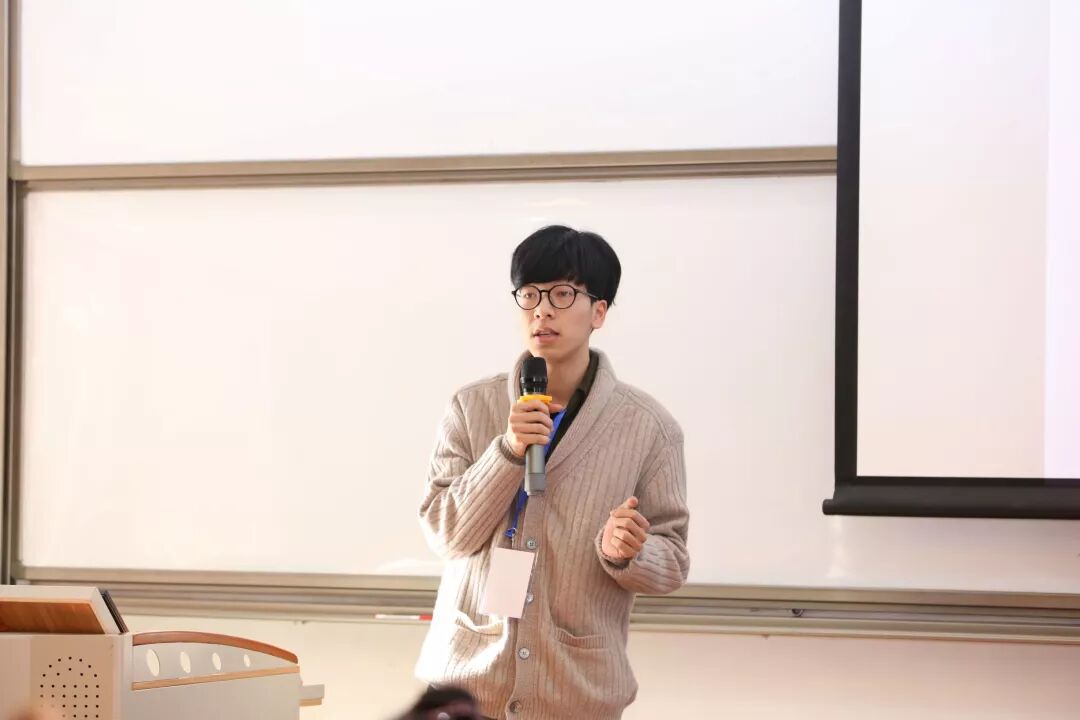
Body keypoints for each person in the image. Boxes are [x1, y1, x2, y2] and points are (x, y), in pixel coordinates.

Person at [415, 226, 690, 720]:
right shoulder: (471, 406)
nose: (542, 310)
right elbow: (445, 534)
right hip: (467, 692)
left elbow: (672, 560)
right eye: (530, 294)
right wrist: (507, 451)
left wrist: (628, 552)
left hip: (576, 694)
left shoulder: (649, 428)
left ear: (599, 311)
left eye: (562, 294)